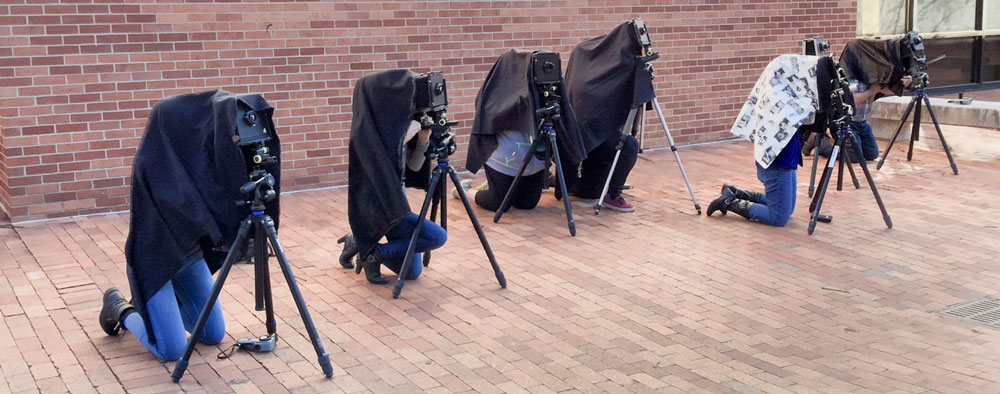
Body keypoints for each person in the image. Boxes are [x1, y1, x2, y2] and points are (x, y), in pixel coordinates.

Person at [99, 91, 280, 360]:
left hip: (188, 257)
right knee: (171, 350)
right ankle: (121, 309)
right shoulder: (152, 165)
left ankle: (160, 315)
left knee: (213, 334)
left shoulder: (191, 160)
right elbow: (191, 206)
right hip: (157, 263)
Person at [339, 70, 447, 285]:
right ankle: (373, 254)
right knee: (437, 236)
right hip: (382, 207)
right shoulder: (367, 135)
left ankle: (361, 243)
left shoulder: (398, 125)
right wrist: (403, 137)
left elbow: (414, 167)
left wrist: (423, 140)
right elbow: (380, 159)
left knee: (412, 272)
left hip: (398, 204)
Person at [708, 55, 828, 226]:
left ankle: (735, 193)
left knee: (787, 210)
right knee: (778, 217)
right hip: (777, 164)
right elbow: (804, 114)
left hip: (786, 161)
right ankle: (730, 202)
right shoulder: (778, 100)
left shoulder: (783, 94)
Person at [100, 252, 224, 361]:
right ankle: (119, 307)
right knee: (173, 350)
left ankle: (153, 309)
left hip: (189, 253)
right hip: (153, 259)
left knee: (213, 335)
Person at [558, 117, 639, 212]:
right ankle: (613, 195)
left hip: (593, 138)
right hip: (587, 133)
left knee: (590, 193)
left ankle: (571, 183)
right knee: (630, 145)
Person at [846, 75, 912, 161]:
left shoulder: (871, 78)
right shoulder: (851, 79)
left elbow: (884, 89)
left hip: (863, 123)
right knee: (854, 158)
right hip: (849, 123)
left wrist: (903, 84)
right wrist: (872, 91)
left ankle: (855, 148)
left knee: (872, 154)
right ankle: (839, 151)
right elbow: (854, 100)